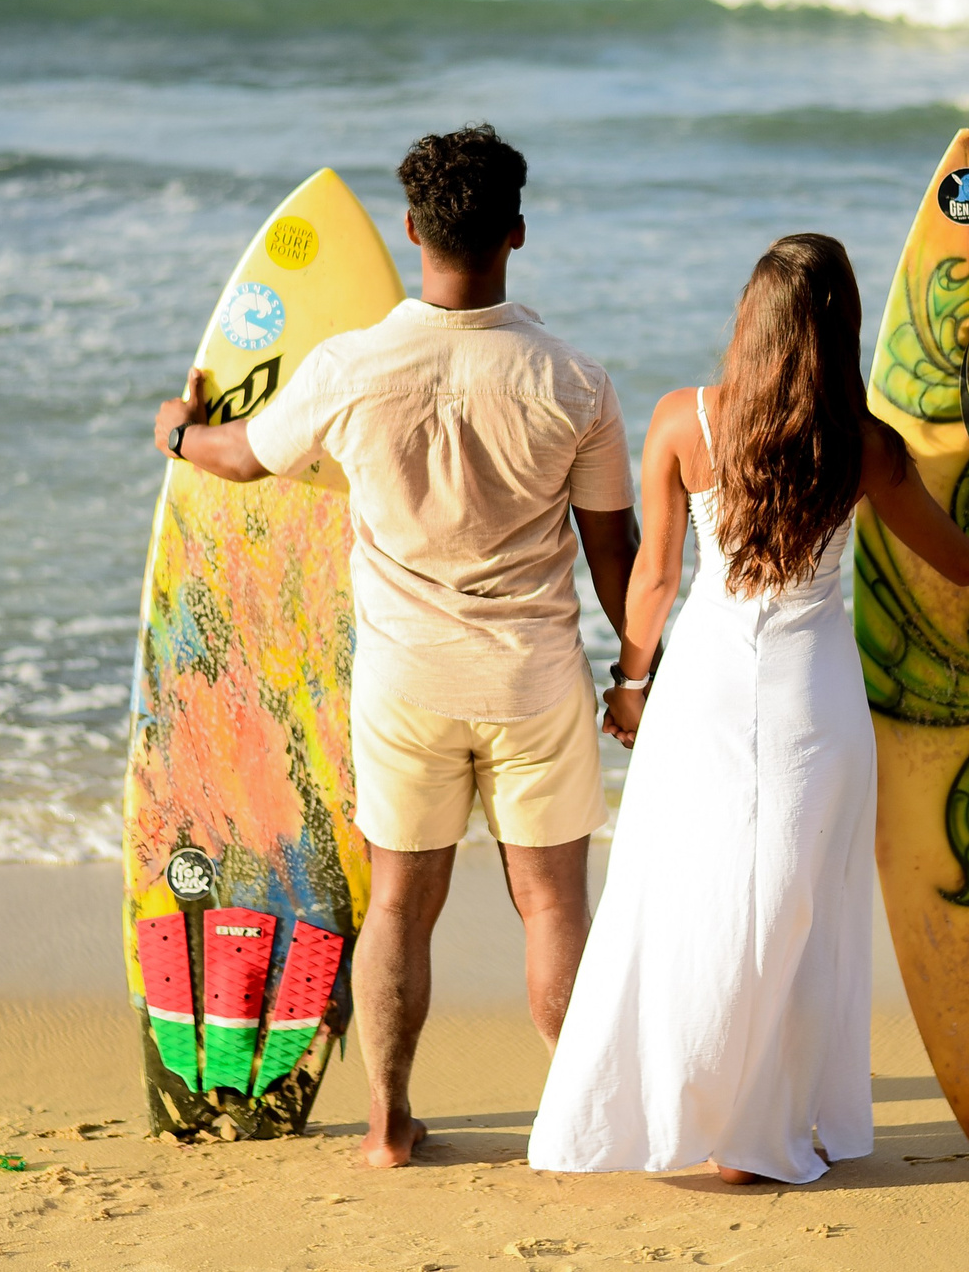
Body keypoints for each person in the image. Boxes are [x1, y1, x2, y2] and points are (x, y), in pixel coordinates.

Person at [527, 232, 969, 1186]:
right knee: (799, 916)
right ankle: (762, 1127)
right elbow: (965, 563)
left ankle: (682, 1112)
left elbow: (652, 583)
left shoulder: (685, 421)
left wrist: (631, 683)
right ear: (843, 328)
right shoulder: (866, 445)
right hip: (817, 701)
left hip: (707, 691)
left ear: (748, 321)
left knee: (688, 901)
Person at [152, 125, 639, 1170]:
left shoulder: (352, 368)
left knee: (402, 906)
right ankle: (579, 1118)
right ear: (515, 231)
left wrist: (179, 431)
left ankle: (386, 1120)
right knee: (552, 901)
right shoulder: (576, 382)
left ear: (413, 229)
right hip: (534, 678)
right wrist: (638, 671)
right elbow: (615, 554)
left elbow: (242, 457)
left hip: (405, 682)